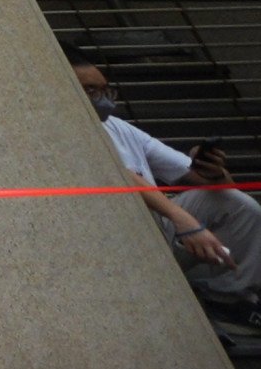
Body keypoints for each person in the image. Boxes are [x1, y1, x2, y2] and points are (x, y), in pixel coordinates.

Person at [80, 63, 237, 272]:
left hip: (160, 223)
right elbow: (117, 172)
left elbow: (208, 182)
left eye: (105, 89)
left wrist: (217, 173)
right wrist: (180, 217)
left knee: (236, 202)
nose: (103, 98)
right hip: (113, 233)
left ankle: (236, 293)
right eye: (91, 90)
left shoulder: (118, 127)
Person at [169, 146, 261, 332]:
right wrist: (183, 220)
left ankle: (229, 298)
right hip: (140, 219)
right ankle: (224, 300)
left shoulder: (127, 132)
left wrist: (215, 173)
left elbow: (229, 195)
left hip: (167, 220)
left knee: (241, 206)